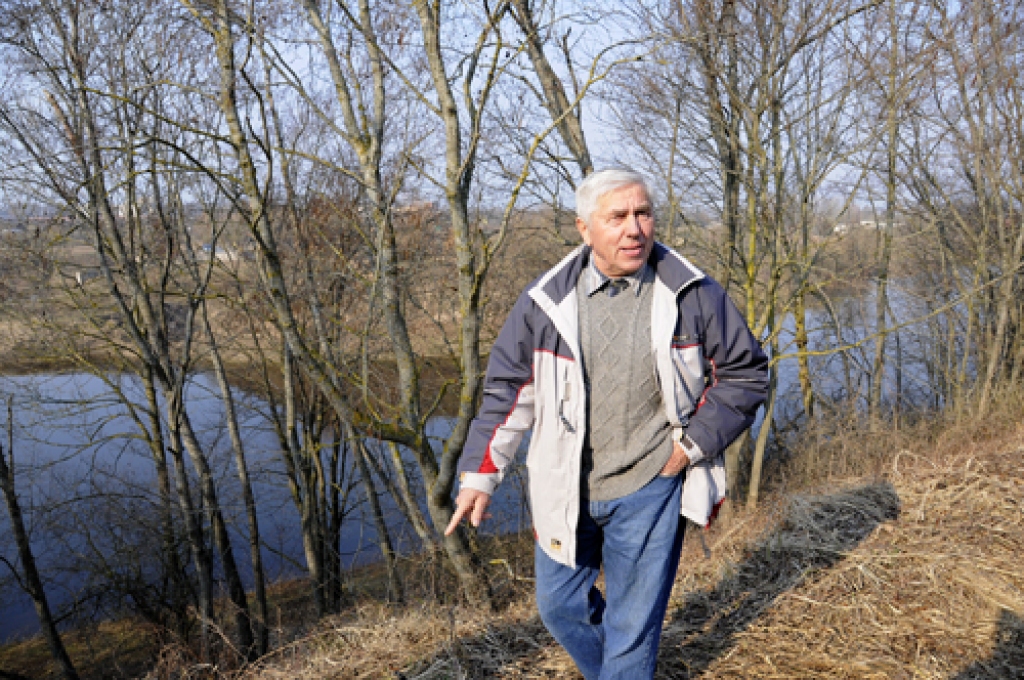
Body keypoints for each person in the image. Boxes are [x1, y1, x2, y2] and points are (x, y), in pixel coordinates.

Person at [444, 168, 768, 679]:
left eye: (643, 213)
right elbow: (509, 390)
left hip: (650, 484)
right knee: (560, 608)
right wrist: (481, 474)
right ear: (584, 228)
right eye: (617, 217)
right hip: (565, 487)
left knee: (633, 626)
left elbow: (745, 374)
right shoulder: (545, 303)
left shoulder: (693, 293)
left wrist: (689, 449)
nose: (634, 228)